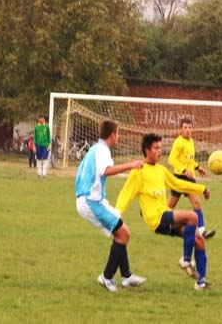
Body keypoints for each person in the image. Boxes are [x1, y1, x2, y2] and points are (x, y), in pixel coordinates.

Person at [116, 133, 212, 291]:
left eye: (160, 148)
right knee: (192, 216)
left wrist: (202, 189)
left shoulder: (161, 170)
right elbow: (126, 194)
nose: (159, 151)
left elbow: (178, 184)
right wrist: (116, 214)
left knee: (199, 240)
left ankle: (201, 283)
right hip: (156, 219)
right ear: (147, 150)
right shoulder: (138, 171)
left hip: (165, 215)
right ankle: (186, 260)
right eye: (156, 148)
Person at [75, 119, 146, 292]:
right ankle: (107, 277)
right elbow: (105, 170)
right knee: (124, 234)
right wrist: (131, 165)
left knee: (121, 233)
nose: (119, 136)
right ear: (113, 134)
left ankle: (126, 276)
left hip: (91, 200)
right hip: (91, 201)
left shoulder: (95, 148)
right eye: (118, 133)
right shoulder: (102, 150)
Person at [167, 117, 216, 239]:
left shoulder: (191, 141)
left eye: (190, 127)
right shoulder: (178, 142)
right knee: (170, 205)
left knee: (197, 203)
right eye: (185, 127)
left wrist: (198, 167)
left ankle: (202, 232)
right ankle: (159, 221)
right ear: (181, 129)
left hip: (190, 179)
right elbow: (171, 159)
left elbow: (189, 160)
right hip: (179, 178)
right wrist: (184, 170)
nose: (188, 130)